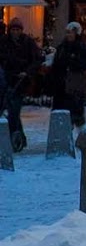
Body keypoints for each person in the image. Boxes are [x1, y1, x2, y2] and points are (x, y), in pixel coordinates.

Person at [1, 18, 43, 151]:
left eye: (17, 30)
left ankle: (16, 137)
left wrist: (27, 72)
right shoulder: (4, 42)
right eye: (13, 29)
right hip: (6, 79)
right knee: (6, 108)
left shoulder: (28, 42)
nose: (15, 32)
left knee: (14, 110)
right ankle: (18, 137)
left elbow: (37, 59)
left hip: (21, 81)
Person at [51, 21, 86, 128]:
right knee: (61, 113)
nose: (68, 35)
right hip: (61, 85)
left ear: (77, 34)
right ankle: (63, 135)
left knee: (76, 112)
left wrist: (75, 62)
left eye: (71, 33)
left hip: (76, 83)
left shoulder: (82, 47)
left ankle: (79, 137)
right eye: (67, 33)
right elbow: (56, 64)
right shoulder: (62, 47)